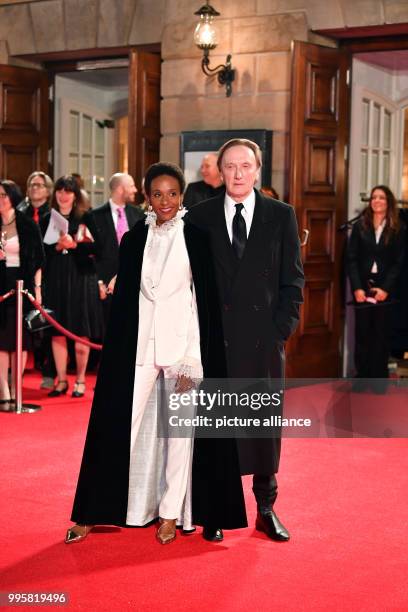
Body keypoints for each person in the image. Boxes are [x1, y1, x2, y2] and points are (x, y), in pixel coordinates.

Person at [65, 162, 246, 545]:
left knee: (179, 436)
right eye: (158, 194)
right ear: (146, 197)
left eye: (173, 193)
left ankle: (169, 514)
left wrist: (192, 361)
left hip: (181, 351)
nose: (165, 201)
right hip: (139, 349)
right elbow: (128, 302)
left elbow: (202, 306)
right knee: (118, 426)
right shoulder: (134, 240)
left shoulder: (197, 238)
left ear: (182, 196)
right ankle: (93, 510)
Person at [187, 138, 304, 542]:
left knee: (261, 429)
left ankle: (265, 509)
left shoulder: (281, 215)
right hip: (214, 344)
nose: (237, 174)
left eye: (245, 166)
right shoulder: (198, 217)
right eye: (230, 166)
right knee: (217, 428)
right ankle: (217, 509)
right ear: (220, 171)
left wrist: (279, 331)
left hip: (262, 344)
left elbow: (293, 280)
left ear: (257, 170)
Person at [41, 175, 103, 398]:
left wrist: (75, 245)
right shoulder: (48, 218)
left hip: (80, 278)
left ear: (75, 195)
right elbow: (39, 253)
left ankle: (80, 379)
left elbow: (99, 249)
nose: (63, 195)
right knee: (57, 331)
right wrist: (56, 247)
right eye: (59, 190)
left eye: (68, 191)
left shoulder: (87, 216)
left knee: (81, 331)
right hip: (56, 278)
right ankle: (61, 380)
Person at [347, 185, 406, 388]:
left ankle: (379, 381)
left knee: (381, 335)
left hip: (385, 288)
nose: (377, 201)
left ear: (388, 202)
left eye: (381, 197)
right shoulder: (360, 226)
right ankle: (362, 379)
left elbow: (399, 262)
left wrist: (386, 289)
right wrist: (357, 288)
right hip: (363, 286)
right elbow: (351, 259)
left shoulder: (398, 228)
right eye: (373, 197)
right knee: (362, 334)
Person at [0, 180, 44, 403]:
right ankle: (4, 390)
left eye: (3, 195)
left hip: (22, 284)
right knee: (2, 341)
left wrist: (37, 289)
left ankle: (17, 387)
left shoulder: (26, 223)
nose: (0, 199)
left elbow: (38, 260)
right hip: (1, 285)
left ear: (12, 197)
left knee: (21, 340)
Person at [84, 173, 143, 330]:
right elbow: (90, 255)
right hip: (105, 288)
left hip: (134, 284)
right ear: (120, 189)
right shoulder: (93, 216)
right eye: (131, 186)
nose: (135, 190)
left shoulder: (139, 215)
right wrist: (98, 282)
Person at [18, 172, 55, 389]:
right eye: (32, 184)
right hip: (21, 274)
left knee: (44, 326)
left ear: (48, 190)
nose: (35, 188)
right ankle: (15, 371)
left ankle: (47, 370)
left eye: (40, 185)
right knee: (18, 324)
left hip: (46, 274)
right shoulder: (19, 211)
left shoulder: (51, 214)